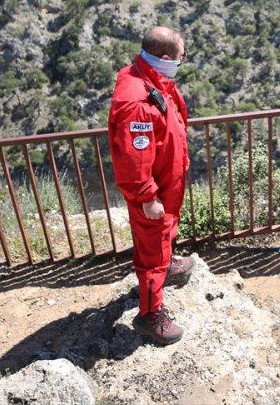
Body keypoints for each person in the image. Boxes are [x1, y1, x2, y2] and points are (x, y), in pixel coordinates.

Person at [108, 25, 195, 345]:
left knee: (165, 233)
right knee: (152, 255)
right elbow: (134, 157)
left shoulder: (150, 80)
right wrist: (147, 197)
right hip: (153, 192)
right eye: (182, 57)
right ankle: (150, 315)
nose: (182, 62)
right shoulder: (138, 101)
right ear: (165, 58)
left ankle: (168, 265)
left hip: (165, 183)